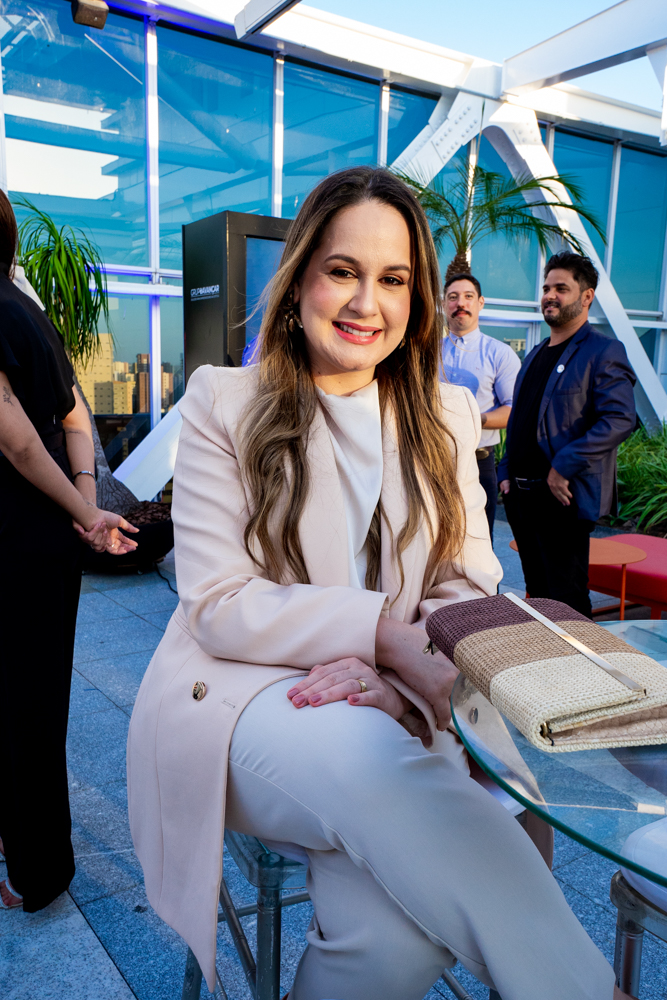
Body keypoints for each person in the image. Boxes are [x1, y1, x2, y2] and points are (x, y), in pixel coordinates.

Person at [128, 169, 632, 1000]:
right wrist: (386, 640)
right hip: (247, 691)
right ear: (299, 281)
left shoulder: (446, 415)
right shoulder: (224, 401)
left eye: (393, 279)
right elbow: (219, 603)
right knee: (372, 760)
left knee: (394, 936)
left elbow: (466, 581)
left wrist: (399, 682)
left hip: (399, 692)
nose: (367, 302)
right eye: (342, 271)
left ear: (417, 298)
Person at [0, 190, 138, 911]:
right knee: (38, 701)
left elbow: (18, 442)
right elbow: (75, 419)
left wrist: (83, 512)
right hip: (44, 543)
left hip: (12, 542)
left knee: (18, 708)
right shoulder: (28, 312)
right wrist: (83, 507)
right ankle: (34, 857)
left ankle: (36, 872)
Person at [498, 251, 636, 618]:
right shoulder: (535, 353)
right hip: (521, 498)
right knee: (538, 594)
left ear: (586, 296)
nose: (549, 295)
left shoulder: (602, 351)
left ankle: (580, 657)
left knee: (568, 600)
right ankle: (544, 656)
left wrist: (563, 465)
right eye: (546, 288)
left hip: (561, 498)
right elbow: (521, 418)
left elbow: (620, 418)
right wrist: (505, 471)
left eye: (561, 288)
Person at [442, 272, 520, 540]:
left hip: (479, 462)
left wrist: (472, 419)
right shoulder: (427, 352)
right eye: (453, 297)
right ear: (444, 304)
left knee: (479, 543)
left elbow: (513, 410)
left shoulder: (500, 354)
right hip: (432, 460)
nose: (460, 303)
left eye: (468, 296)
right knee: (432, 541)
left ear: (480, 302)